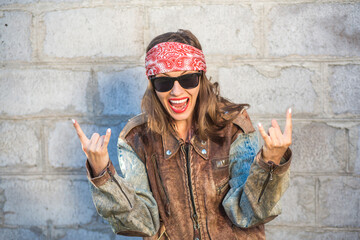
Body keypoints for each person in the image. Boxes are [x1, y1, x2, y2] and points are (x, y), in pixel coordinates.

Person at [72, 29, 292, 240]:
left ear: (201, 79)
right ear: (152, 85)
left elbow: (248, 214)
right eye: (164, 81)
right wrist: (102, 173)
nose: (176, 91)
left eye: (187, 79)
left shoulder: (234, 127)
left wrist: (270, 163)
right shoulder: (136, 139)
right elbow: (142, 223)